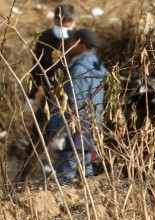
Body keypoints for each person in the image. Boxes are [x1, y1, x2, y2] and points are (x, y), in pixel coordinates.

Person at [48, 28, 107, 184]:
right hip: (90, 127)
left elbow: (74, 102)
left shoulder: (79, 69)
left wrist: (61, 133)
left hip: (74, 130)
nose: (70, 44)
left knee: (68, 172)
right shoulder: (98, 67)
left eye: (73, 41)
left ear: (82, 44)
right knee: (85, 172)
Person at [26, 4, 78, 152]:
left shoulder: (77, 40)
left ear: (74, 21)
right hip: (50, 93)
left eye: (67, 23)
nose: (63, 27)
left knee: (69, 136)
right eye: (60, 22)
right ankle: (31, 160)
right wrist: (31, 95)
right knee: (39, 130)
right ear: (55, 19)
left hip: (73, 95)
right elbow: (37, 67)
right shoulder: (45, 37)